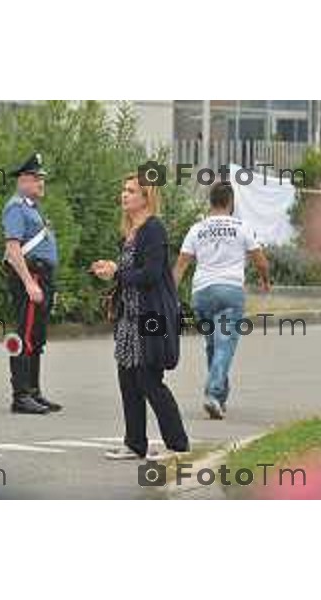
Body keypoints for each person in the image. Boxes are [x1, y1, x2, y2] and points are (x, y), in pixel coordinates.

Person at [91, 174, 189, 460]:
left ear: (146, 197)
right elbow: (131, 271)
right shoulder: (130, 231)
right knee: (128, 380)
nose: (124, 195)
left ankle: (177, 445)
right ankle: (135, 444)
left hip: (152, 315)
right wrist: (111, 268)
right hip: (129, 318)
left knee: (149, 380)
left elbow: (151, 273)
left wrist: (117, 273)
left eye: (131, 191)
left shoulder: (153, 229)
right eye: (123, 189)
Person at [174, 181, 270, 420]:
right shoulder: (242, 227)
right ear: (231, 202)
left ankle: (219, 398)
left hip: (202, 294)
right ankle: (214, 394)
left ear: (211, 201)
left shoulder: (197, 229)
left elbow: (181, 265)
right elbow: (260, 261)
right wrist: (265, 280)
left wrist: (170, 294)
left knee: (213, 345)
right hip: (229, 293)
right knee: (225, 344)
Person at [2, 152, 62, 414]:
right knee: (24, 334)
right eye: (37, 178)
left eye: (42, 179)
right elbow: (13, 249)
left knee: (36, 336)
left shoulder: (32, 208)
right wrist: (29, 283)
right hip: (31, 275)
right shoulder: (16, 207)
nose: (41, 183)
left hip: (42, 276)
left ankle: (34, 392)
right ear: (24, 180)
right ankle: (20, 395)